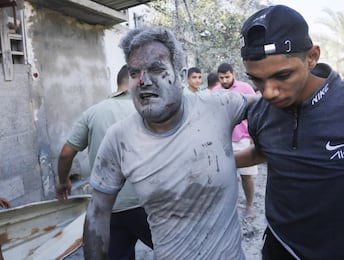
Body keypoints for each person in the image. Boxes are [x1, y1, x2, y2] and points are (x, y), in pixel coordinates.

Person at [236, 5, 344, 259]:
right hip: (281, 250)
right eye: (257, 79)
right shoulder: (260, 112)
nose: (269, 92)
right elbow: (267, 151)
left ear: (312, 56)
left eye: (282, 75)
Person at [82, 26, 259, 259]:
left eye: (156, 69)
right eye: (134, 73)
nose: (143, 81)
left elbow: (270, 104)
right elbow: (98, 211)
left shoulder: (218, 106)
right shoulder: (119, 139)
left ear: (179, 74)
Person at [56, 64, 153, 259]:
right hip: (148, 203)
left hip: (110, 207)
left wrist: (62, 181)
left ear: (118, 83)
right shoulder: (151, 110)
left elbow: (66, 153)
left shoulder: (93, 112)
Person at [214, 62, 258, 220]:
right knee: (225, 176)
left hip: (243, 139)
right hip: (223, 142)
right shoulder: (215, 92)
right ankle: (227, 208)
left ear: (233, 74)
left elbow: (256, 113)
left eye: (227, 77)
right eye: (221, 78)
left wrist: (254, 136)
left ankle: (249, 205)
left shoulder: (245, 88)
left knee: (247, 175)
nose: (224, 80)